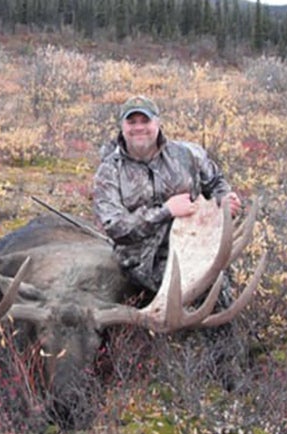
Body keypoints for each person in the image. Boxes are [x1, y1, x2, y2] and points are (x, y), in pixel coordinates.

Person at [92, 95, 241, 294]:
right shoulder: (109, 171)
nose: (139, 128)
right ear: (122, 126)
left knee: (219, 292)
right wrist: (166, 211)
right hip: (140, 263)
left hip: (194, 248)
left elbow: (216, 183)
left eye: (145, 121)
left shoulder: (189, 155)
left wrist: (224, 200)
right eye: (131, 122)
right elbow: (116, 227)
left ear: (158, 123)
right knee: (187, 294)